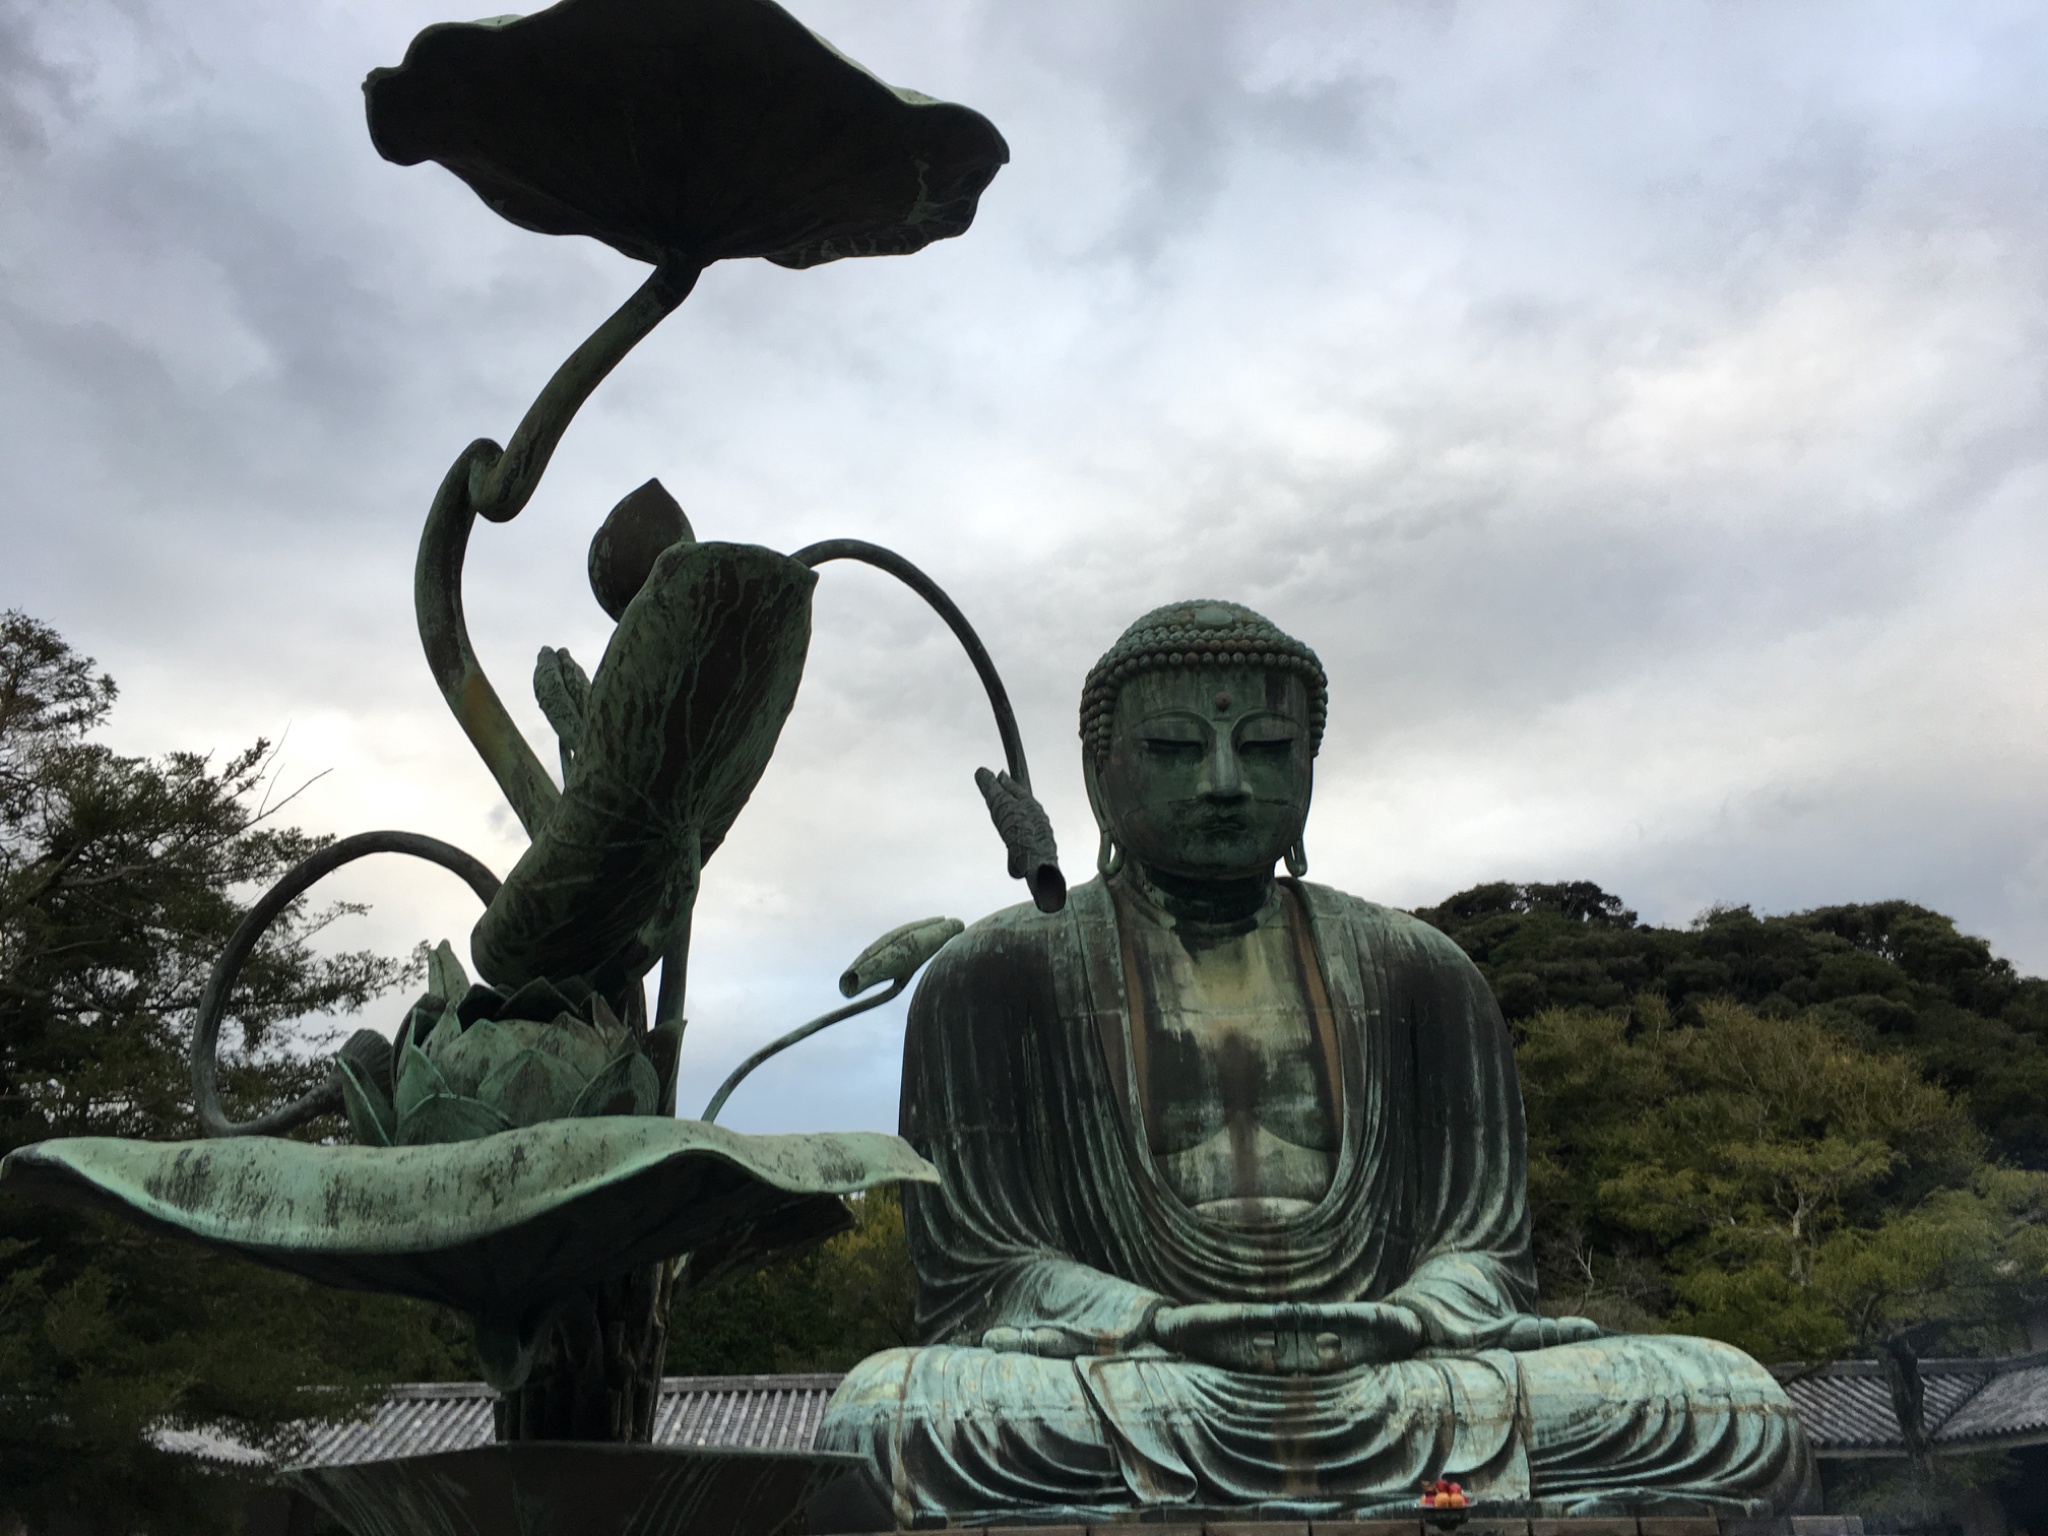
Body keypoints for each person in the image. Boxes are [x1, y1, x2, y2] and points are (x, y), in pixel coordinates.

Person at [817, 600, 1815, 1524]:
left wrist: (1408, 1317)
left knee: (1729, 1402)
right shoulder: (994, 974)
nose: (1222, 781)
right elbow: (984, 1274)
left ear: (1307, 770)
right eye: (1174, 749)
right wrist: (1157, 1321)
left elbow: (1484, 1252)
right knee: (892, 1415)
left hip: (1399, 1374)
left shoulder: (1420, 969)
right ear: (1096, 776)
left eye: (1264, 749)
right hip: (1139, 1378)